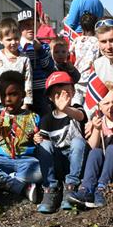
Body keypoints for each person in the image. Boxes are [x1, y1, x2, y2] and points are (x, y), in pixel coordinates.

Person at [67, 83, 113, 209]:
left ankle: (103, 188)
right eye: (106, 103)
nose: (111, 106)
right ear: (99, 107)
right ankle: (87, 189)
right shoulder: (99, 121)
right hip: (104, 169)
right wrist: (97, 129)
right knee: (95, 152)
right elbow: (92, 147)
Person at [0, 71, 42, 203]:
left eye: (13, 94)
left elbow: (40, 138)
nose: (8, 99)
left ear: (23, 95)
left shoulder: (33, 117)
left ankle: (7, 182)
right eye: (4, 95)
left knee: (40, 172)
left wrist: (38, 138)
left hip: (26, 161)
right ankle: (22, 187)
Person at [34, 72, 87, 213]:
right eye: (58, 94)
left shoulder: (76, 109)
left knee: (78, 141)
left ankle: (71, 187)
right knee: (44, 145)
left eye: (67, 93)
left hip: (75, 160)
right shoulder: (46, 119)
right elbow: (45, 142)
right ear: (51, 98)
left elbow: (80, 116)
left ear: (74, 91)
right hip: (57, 161)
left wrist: (66, 109)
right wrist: (38, 139)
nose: (63, 98)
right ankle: (50, 189)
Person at [0, 18, 32, 108]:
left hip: (18, 103)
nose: (13, 42)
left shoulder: (24, 59)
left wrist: (26, 103)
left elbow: (28, 82)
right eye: (9, 39)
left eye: (16, 38)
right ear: (0, 40)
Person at [18, 9, 54, 116]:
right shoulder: (16, 47)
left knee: (43, 122)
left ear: (38, 25)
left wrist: (40, 51)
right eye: (26, 25)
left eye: (33, 24)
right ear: (19, 27)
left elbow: (49, 67)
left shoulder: (44, 46)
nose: (30, 28)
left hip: (41, 93)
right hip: (22, 93)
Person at [71, 13, 100, 105]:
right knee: (90, 104)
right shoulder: (98, 41)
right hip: (90, 76)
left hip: (77, 75)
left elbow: (70, 53)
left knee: (76, 102)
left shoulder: (77, 40)